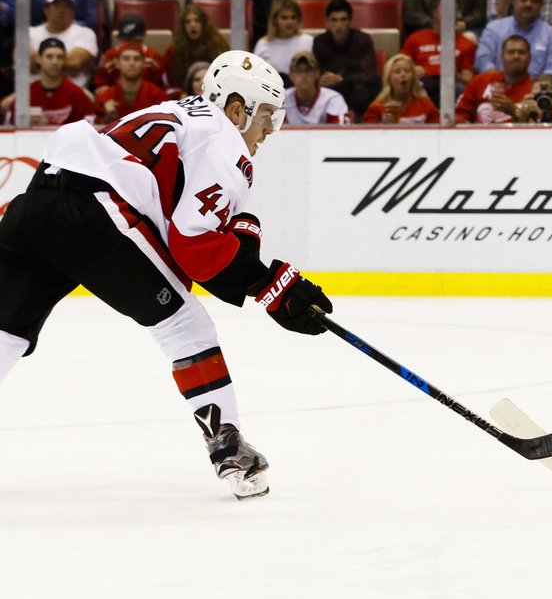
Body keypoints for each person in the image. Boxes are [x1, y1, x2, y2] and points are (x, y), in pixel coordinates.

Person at [0, 50, 334, 500]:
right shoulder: (226, 142)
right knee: (185, 326)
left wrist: (245, 255)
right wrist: (270, 284)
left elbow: (174, 233)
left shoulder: (180, 111)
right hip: (97, 213)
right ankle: (229, 451)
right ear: (238, 109)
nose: (268, 132)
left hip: (40, 199)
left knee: (6, 332)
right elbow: (193, 246)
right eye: (267, 116)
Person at [475, 0, 552, 78]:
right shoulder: (494, 28)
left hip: (535, 88)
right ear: (514, 1)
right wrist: (500, 82)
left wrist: (536, 87)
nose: (528, 4)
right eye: (523, 0)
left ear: (541, 5)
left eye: (534, 1)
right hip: (497, 85)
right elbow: (483, 60)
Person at [311, 0, 381, 121]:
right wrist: (322, 78)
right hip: (330, 92)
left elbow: (370, 75)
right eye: (334, 20)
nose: (339, 25)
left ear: (350, 21)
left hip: (356, 95)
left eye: (343, 19)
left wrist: (341, 79)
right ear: (327, 22)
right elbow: (316, 71)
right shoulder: (319, 42)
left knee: (368, 88)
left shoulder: (363, 40)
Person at [1, 38, 95, 127]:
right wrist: (25, 124)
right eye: (49, 56)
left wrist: (48, 125)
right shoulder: (26, 94)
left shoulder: (77, 94)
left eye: (60, 57)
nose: (55, 61)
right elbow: (11, 127)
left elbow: (87, 129)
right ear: (39, 59)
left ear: (65, 60)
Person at [401, 0, 476, 101]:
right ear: (434, 13)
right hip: (423, 82)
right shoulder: (415, 38)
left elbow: (469, 80)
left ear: (457, 15)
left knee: (459, 89)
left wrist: (456, 75)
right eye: (443, 9)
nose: (448, 13)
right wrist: (412, 71)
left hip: (451, 85)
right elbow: (401, 66)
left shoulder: (467, 44)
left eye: (453, 10)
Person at [28, 0, 99, 90]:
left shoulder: (85, 33)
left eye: (66, 6)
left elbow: (74, 63)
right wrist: (63, 66)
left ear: (73, 10)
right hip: (33, 94)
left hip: (74, 95)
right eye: (57, 5)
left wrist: (38, 63)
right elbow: (22, 61)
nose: (62, 10)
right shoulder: (29, 33)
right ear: (46, 9)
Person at [455, 35, 534, 124]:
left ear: (530, 58)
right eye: (511, 52)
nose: (516, 56)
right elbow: (459, 116)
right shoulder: (479, 81)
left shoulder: (535, 89)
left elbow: (538, 129)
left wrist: (513, 111)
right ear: (502, 57)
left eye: (522, 52)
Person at [94, 41, 171, 124]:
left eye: (137, 59)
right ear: (118, 63)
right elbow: (96, 130)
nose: (132, 63)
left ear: (144, 63)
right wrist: (107, 116)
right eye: (126, 59)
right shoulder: (105, 97)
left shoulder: (158, 96)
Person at [164, 4, 230, 94]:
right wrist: (180, 94)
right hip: (184, 98)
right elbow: (169, 84)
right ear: (183, 26)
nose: (192, 25)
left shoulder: (219, 47)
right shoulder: (173, 51)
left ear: (204, 24)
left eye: (197, 21)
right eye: (188, 22)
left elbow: (227, 76)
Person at [361, 54, 439, 125]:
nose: (403, 75)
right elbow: (367, 137)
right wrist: (382, 126)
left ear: (413, 78)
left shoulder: (426, 105)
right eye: (397, 72)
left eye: (407, 71)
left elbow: (439, 133)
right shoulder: (376, 108)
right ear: (389, 78)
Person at [96, 13, 166, 92]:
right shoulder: (109, 56)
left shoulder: (153, 56)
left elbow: (162, 88)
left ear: (144, 36)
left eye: (136, 41)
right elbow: (100, 87)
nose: (131, 46)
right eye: (127, 41)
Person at [284, 50, 353, 126]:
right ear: (290, 75)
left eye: (308, 70)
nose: (303, 75)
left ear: (317, 74)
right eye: (298, 70)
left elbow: (341, 132)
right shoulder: (282, 99)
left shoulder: (332, 99)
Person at [253, 0, 315, 78]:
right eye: (284, 18)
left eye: (293, 18)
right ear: (275, 20)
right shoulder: (263, 44)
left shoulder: (308, 41)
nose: (289, 22)